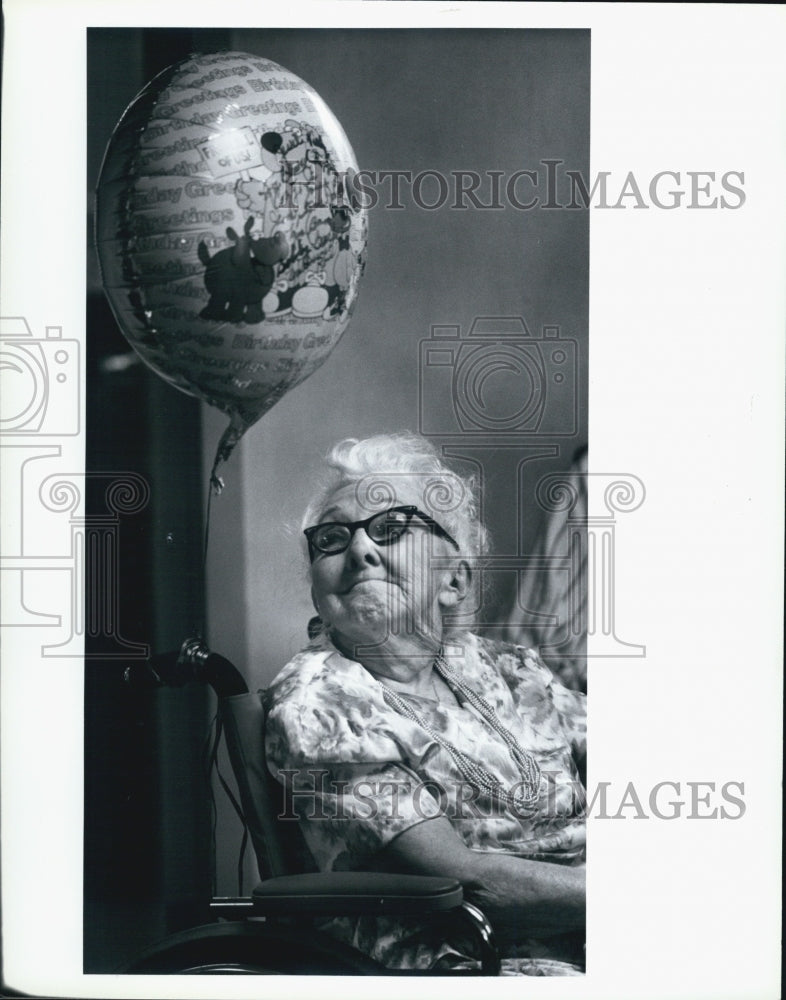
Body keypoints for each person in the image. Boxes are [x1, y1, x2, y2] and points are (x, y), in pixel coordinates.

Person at [265, 433, 586, 975]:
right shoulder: (321, 704)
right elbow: (467, 883)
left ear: (453, 580)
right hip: (479, 959)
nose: (360, 549)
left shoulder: (505, 667)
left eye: (391, 529)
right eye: (333, 538)